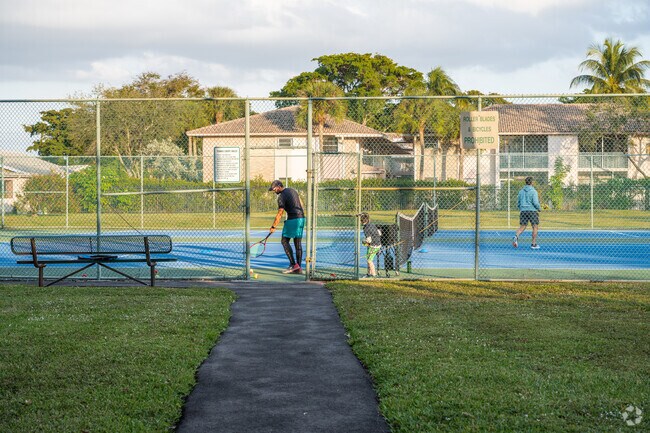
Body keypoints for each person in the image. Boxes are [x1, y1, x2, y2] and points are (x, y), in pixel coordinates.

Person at [269, 180, 305, 273]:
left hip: (292, 219)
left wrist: (273, 226)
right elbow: (301, 204)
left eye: (274, 189)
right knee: (298, 244)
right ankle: (298, 267)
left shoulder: (281, 196)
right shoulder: (293, 190)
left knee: (284, 241)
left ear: (279, 186)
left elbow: (280, 212)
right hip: (301, 218)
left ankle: (293, 265)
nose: (274, 191)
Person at [513, 176, 541, 249]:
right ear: (532, 182)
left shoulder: (521, 191)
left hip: (523, 211)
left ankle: (516, 236)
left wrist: (521, 208)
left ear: (525, 182)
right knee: (535, 227)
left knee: (522, 226)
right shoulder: (534, 191)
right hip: (532, 211)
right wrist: (539, 208)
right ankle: (533, 244)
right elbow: (535, 202)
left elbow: (518, 202)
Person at [359, 212, 381, 278]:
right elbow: (379, 233)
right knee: (368, 258)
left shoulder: (365, 228)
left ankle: (374, 275)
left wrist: (363, 241)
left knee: (369, 260)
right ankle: (369, 273)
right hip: (378, 244)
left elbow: (369, 240)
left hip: (373, 246)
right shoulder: (372, 224)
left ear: (361, 221)